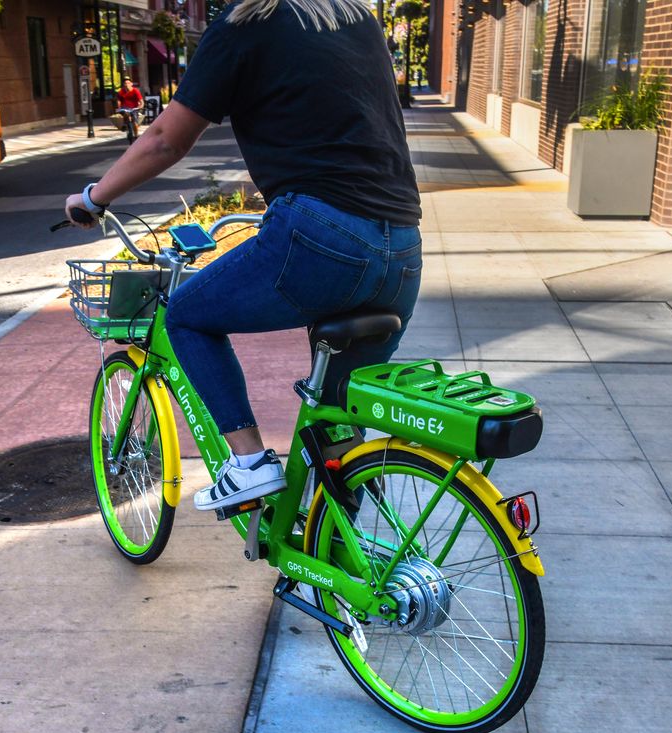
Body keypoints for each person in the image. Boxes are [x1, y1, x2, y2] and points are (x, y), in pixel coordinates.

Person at [64, 0, 421, 512]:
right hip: (403, 248)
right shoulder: (354, 15)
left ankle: (249, 463)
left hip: (322, 237)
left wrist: (94, 198)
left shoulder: (244, 21)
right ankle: (329, 570)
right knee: (337, 429)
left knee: (186, 313)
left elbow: (166, 139)